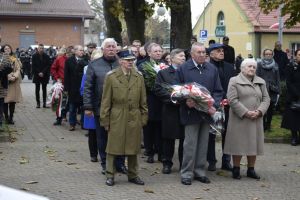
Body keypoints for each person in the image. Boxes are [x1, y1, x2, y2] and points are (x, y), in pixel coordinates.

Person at [176, 42, 223, 185]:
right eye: (199, 52)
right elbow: (177, 90)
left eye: (204, 52)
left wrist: (213, 104)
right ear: (192, 54)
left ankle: (200, 171)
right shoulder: (183, 68)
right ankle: (186, 173)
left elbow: (218, 90)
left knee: (204, 143)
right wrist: (186, 100)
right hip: (191, 113)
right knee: (190, 144)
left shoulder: (212, 69)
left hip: (207, 113)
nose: (202, 54)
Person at [100, 50, 148, 186]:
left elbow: (143, 100)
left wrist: (143, 118)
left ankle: (133, 175)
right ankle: (110, 175)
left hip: (134, 116)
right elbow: (105, 101)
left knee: (133, 148)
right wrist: (105, 120)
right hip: (117, 115)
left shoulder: (139, 76)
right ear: (120, 61)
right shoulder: (111, 76)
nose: (130, 62)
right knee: (112, 148)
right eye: (127, 60)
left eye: (132, 60)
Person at [83, 38, 126, 174]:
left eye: (114, 46)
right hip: (100, 107)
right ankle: (105, 163)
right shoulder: (94, 65)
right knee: (102, 137)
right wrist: (88, 107)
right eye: (108, 47)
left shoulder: (122, 64)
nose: (112, 49)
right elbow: (88, 87)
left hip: (120, 108)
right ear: (103, 49)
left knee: (120, 136)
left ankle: (120, 163)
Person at [224, 58, 270, 180]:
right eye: (249, 66)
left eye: (254, 67)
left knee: (253, 144)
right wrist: (246, 112)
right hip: (239, 118)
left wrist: (259, 111)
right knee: (238, 144)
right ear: (242, 68)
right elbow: (232, 99)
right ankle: (236, 169)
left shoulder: (261, 82)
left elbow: (266, 99)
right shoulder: (234, 80)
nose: (252, 69)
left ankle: (251, 169)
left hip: (256, 118)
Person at [154, 48, 186, 174]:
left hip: (185, 109)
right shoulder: (163, 73)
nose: (183, 58)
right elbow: (158, 89)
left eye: (184, 56)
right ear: (172, 58)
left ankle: (184, 164)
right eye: (180, 56)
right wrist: (172, 99)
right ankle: (167, 163)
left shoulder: (187, 72)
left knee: (185, 139)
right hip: (170, 110)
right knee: (168, 139)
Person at [207, 43, 235, 172]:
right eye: (218, 51)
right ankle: (211, 161)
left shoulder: (230, 67)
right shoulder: (207, 67)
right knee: (211, 133)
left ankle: (226, 161)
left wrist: (230, 97)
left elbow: (234, 84)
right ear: (211, 54)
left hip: (229, 104)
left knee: (228, 134)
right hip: (213, 104)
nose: (222, 53)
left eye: (222, 51)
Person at [138, 43, 164, 164]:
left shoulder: (165, 65)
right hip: (150, 99)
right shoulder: (143, 66)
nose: (158, 53)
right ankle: (150, 151)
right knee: (149, 127)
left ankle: (159, 151)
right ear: (149, 53)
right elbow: (145, 83)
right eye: (156, 51)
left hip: (162, 101)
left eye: (160, 51)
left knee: (160, 127)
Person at [80, 50, 102, 162]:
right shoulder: (88, 72)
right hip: (92, 106)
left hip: (103, 106)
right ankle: (93, 154)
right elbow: (83, 89)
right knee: (92, 133)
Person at [64, 45, 88, 131]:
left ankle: (83, 123)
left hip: (83, 87)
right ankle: (72, 124)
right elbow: (66, 75)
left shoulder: (86, 60)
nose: (82, 52)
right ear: (75, 51)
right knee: (72, 107)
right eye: (80, 50)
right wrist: (66, 88)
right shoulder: (69, 61)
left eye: (83, 50)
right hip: (73, 87)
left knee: (83, 107)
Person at [256, 49, 280, 131]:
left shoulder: (275, 65)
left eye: (270, 54)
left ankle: (268, 125)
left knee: (270, 109)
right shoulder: (259, 64)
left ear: (272, 55)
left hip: (272, 90)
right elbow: (256, 77)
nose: (268, 55)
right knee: (262, 108)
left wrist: (278, 90)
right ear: (264, 55)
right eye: (267, 54)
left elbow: (278, 78)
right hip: (262, 89)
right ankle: (262, 125)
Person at [281, 49, 300, 146]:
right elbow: (288, 82)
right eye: (299, 55)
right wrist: (297, 94)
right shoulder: (290, 66)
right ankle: (294, 137)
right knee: (294, 119)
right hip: (293, 96)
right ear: (295, 56)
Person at [0, 45, 22, 125]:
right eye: (5, 48)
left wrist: (15, 76)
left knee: (12, 101)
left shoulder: (14, 58)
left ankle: (11, 117)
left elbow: (18, 69)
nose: (7, 50)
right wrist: (9, 76)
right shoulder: (1, 59)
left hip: (14, 83)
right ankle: (6, 117)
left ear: (11, 49)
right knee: (5, 101)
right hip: (5, 82)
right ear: (3, 50)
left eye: (8, 48)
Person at [50, 47, 68, 125]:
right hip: (61, 83)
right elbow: (53, 69)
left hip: (70, 83)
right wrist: (57, 78)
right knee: (60, 101)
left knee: (68, 102)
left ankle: (64, 114)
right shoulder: (59, 59)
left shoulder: (71, 60)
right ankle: (59, 118)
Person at [31, 44, 51, 108]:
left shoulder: (47, 56)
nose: (41, 49)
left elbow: (48, 65)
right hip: (37, 75)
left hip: (44, 75)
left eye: (42, 48)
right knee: (37, 89)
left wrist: (43, 72)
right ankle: (38, 103)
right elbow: (33, 66)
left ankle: (44, 103)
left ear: (43, 49)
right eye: (40, 48)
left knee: (44, 89)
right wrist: (39, 72)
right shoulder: (34, 56)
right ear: (38, 49)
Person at [0, 52, 13, 129]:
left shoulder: (4, 55)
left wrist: (1, 72)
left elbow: (9, 68)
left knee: (1, 103)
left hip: (1, 84)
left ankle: (0, 122)